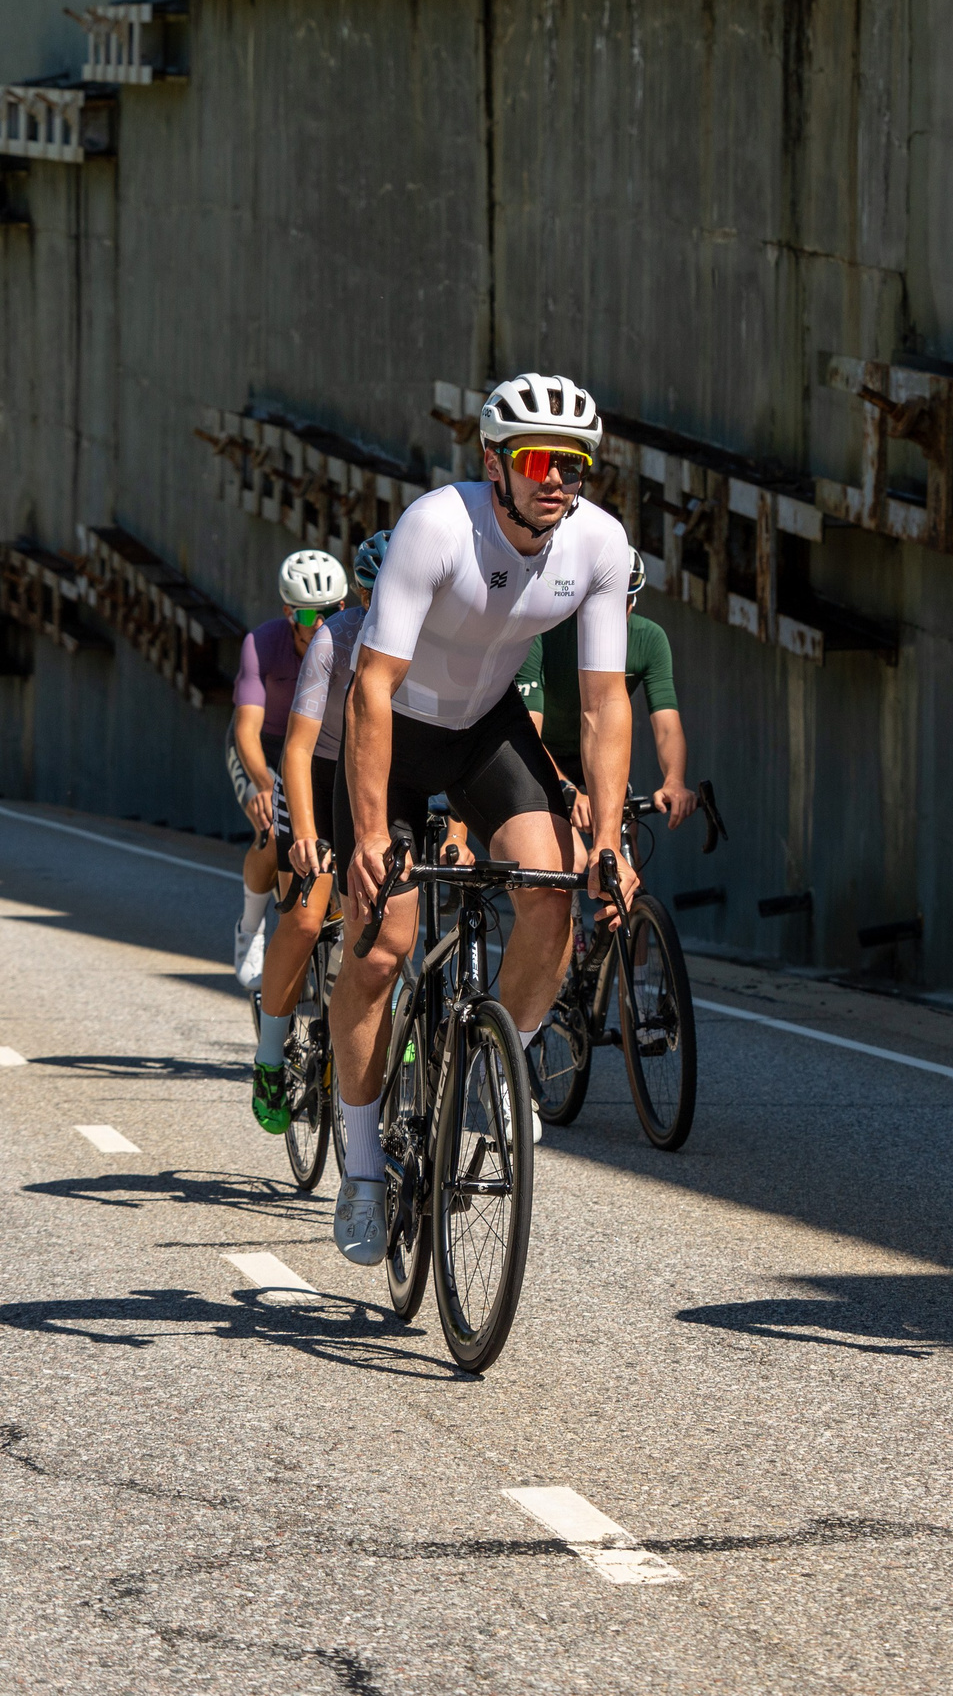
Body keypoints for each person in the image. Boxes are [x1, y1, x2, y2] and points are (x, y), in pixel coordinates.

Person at [328, 371, 639, 1265]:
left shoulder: (599, 544)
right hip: (395, 729)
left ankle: (494, 1063)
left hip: (485, 732)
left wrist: (607, 842)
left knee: (552, 895)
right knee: (381, 945)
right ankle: (361, 1166)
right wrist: (373, 834)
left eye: (575, 465)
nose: (558, 480)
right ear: (495, 462)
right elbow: (372, 688)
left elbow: (604, 703)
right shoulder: (437, 526)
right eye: (540, 461)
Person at [247, 533, 383, 1133]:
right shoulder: (334, 639)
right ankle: (269, 1058)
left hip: (374, 775)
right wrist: (303, 833)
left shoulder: (431, 638)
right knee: (305, 918)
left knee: (388, 911)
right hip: (318, 773)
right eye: (374, 595)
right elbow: (297, 749)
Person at [228, 550, 348, 989]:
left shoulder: (350, 640)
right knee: (271, 828)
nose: (319, 624)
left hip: (320, 749)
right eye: (308, 615)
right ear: (288, 613)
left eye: (329, 612)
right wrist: (264, 784)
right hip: (266, 748)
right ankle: (250, 928)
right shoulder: (261, 644)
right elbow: (246, 729)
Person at [517, 550, 696, 839]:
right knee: (571, 855)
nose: (612, 612)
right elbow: (528, 731)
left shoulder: (649, 639)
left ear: (633, 602)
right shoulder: (544, 633)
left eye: (622, 601)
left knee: (626, 839)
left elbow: (667, 726)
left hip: (598, 751)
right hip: (543, 753)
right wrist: (566, 788)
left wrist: (674, 780)